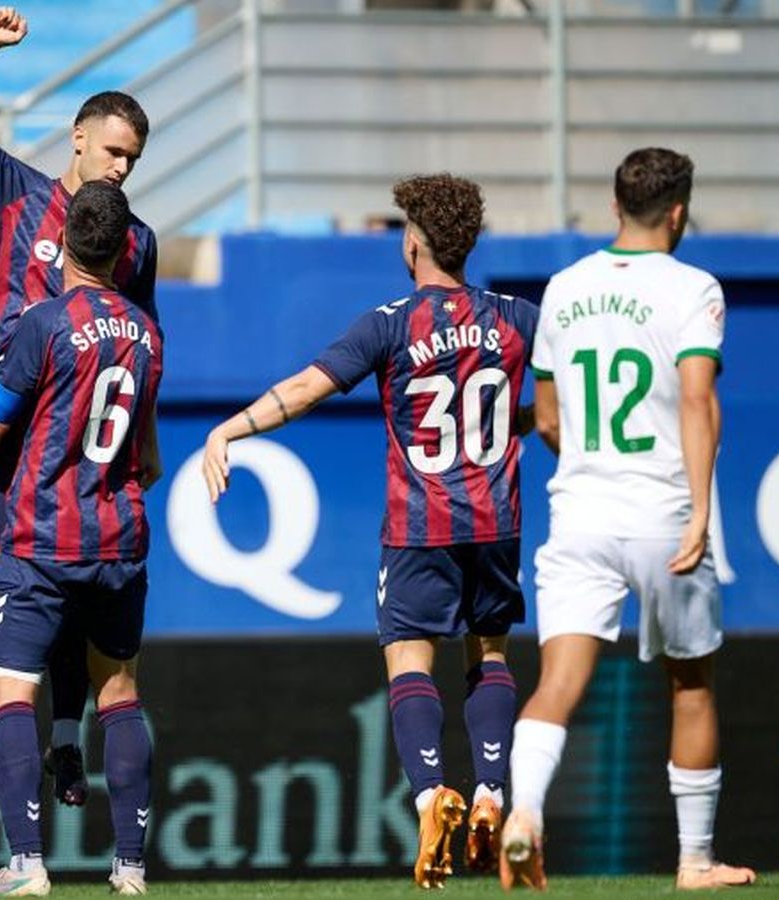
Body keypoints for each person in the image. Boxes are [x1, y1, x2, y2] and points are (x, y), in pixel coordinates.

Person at [202, 174, 538, 889]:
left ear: (413, 242)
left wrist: (230, 429)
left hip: (420, 528)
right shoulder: (517, 317)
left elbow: (303, 391)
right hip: (496, 523)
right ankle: (490, 793)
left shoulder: (387, 323)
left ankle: (429, 796)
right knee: (491, 655)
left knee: (410, 663)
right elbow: (573, 379)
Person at [500, 148, 756, 892]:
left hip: (579, 511)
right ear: (678, 213)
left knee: (557, 682)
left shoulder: (564, 287)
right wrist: (702, 512)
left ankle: (526, 814)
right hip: (663, 513)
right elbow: (698, 399)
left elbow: (546, 417)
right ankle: (696, 860)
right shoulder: (694, 287)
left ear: (615, 206)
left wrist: (579, 445)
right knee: (692, 684)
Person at [0, 5, 158, 801]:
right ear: (78, 138)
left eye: (133, 158)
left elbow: (144, 344)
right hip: (4, 417)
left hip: (72, 432)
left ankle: (66, 741)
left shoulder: (137, 241)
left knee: (64, 584)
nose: (121, 168)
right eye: (113, 151)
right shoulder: (19, 196)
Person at [0, 182, 163, 897]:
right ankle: (130, 867)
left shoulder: (43, 323)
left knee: (11, 689)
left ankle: (28, 864)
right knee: (120, 692)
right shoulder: (146, 332)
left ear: (64, 240)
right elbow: (152, 460)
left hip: (42, 537)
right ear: (124, 249)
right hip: (121, 540)